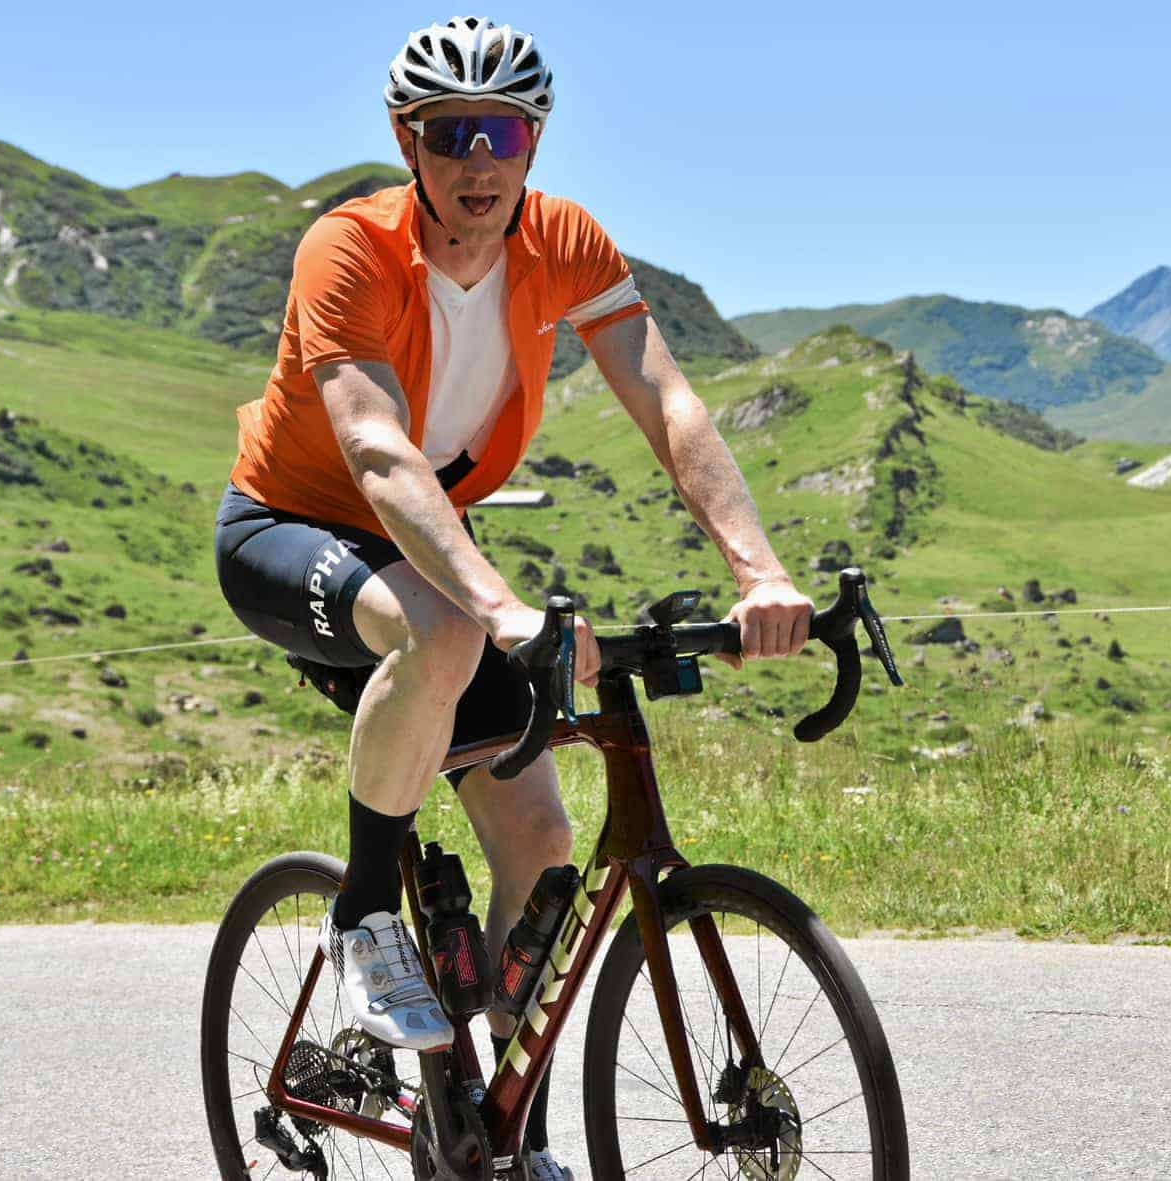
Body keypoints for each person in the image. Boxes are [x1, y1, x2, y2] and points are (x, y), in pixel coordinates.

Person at [212, 15, 812, 1179]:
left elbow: (670, 405)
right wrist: (504, 610)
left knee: (539, 833)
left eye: (502, 132)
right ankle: (364, 914)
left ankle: (498, 1136)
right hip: (294, 528)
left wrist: (761, 571)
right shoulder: (349, 248)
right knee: (442, 634)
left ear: (534, 141)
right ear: (409, 141)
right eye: (450, 134)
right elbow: (378, 454)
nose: (478, 159)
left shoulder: (566, 245)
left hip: (430, 547)